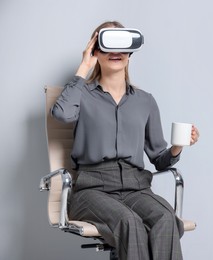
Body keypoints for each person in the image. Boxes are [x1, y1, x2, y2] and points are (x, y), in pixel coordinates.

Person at [51, 21, 199, 260]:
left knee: (166, 218)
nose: (115, 52)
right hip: (92, 189)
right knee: (128, 222)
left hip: (136, 187)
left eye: (122, 45)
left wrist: (177, 147)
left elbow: (160, 161)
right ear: (95, 50)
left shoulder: (145, 101)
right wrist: (84, 67)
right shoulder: (81, 95)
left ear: (130, 52)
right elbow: (61, 113)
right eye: (108, 45)